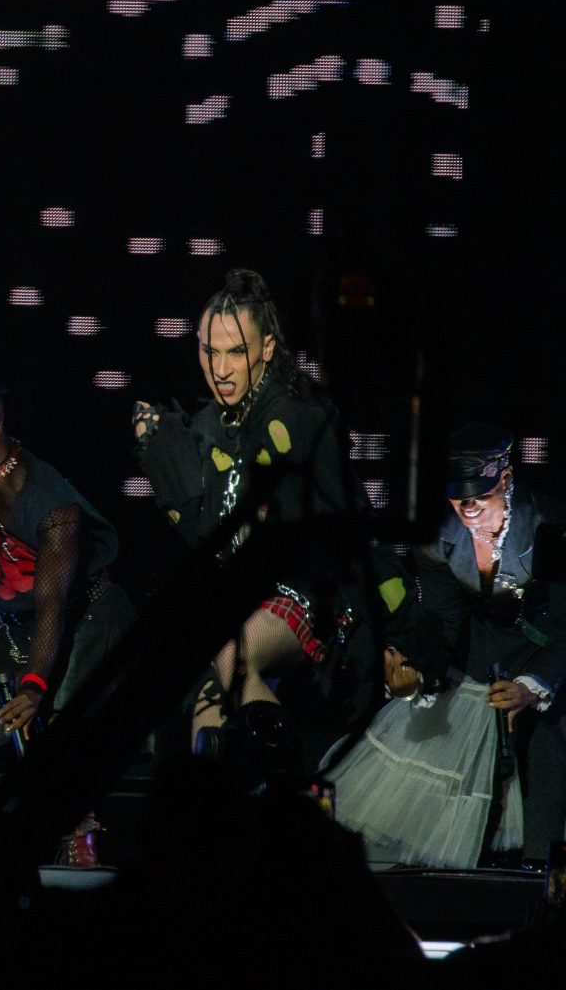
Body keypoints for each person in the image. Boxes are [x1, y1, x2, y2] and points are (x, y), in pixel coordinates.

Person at [131, 269, 372, 762]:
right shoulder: (209, 425)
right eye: (209, 351)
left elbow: (351, 521)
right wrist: (163, 455)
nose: (219, 368)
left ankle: (288, 794)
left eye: (235, 352)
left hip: (308, 592)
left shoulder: (298, 417)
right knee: (208, 728)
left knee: (230, 654)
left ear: (265, 349)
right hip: (238, 600)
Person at [327, 423, 566, 866]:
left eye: (480, 496)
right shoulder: (439, 536)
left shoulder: (549, 526)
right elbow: (444, 620)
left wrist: (533, 686)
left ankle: (543, 880)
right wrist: (418, 675)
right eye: (459, 499)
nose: (468, 508)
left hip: (550, 659)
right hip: (485, 657)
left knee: (549, 756)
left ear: (506, 479)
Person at [0, 377, 135, 860]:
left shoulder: (53, 506)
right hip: (19, 628)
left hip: (87, 622)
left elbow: (52, 608)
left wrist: (35, 683)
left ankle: (78, 834)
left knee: (61, 730)